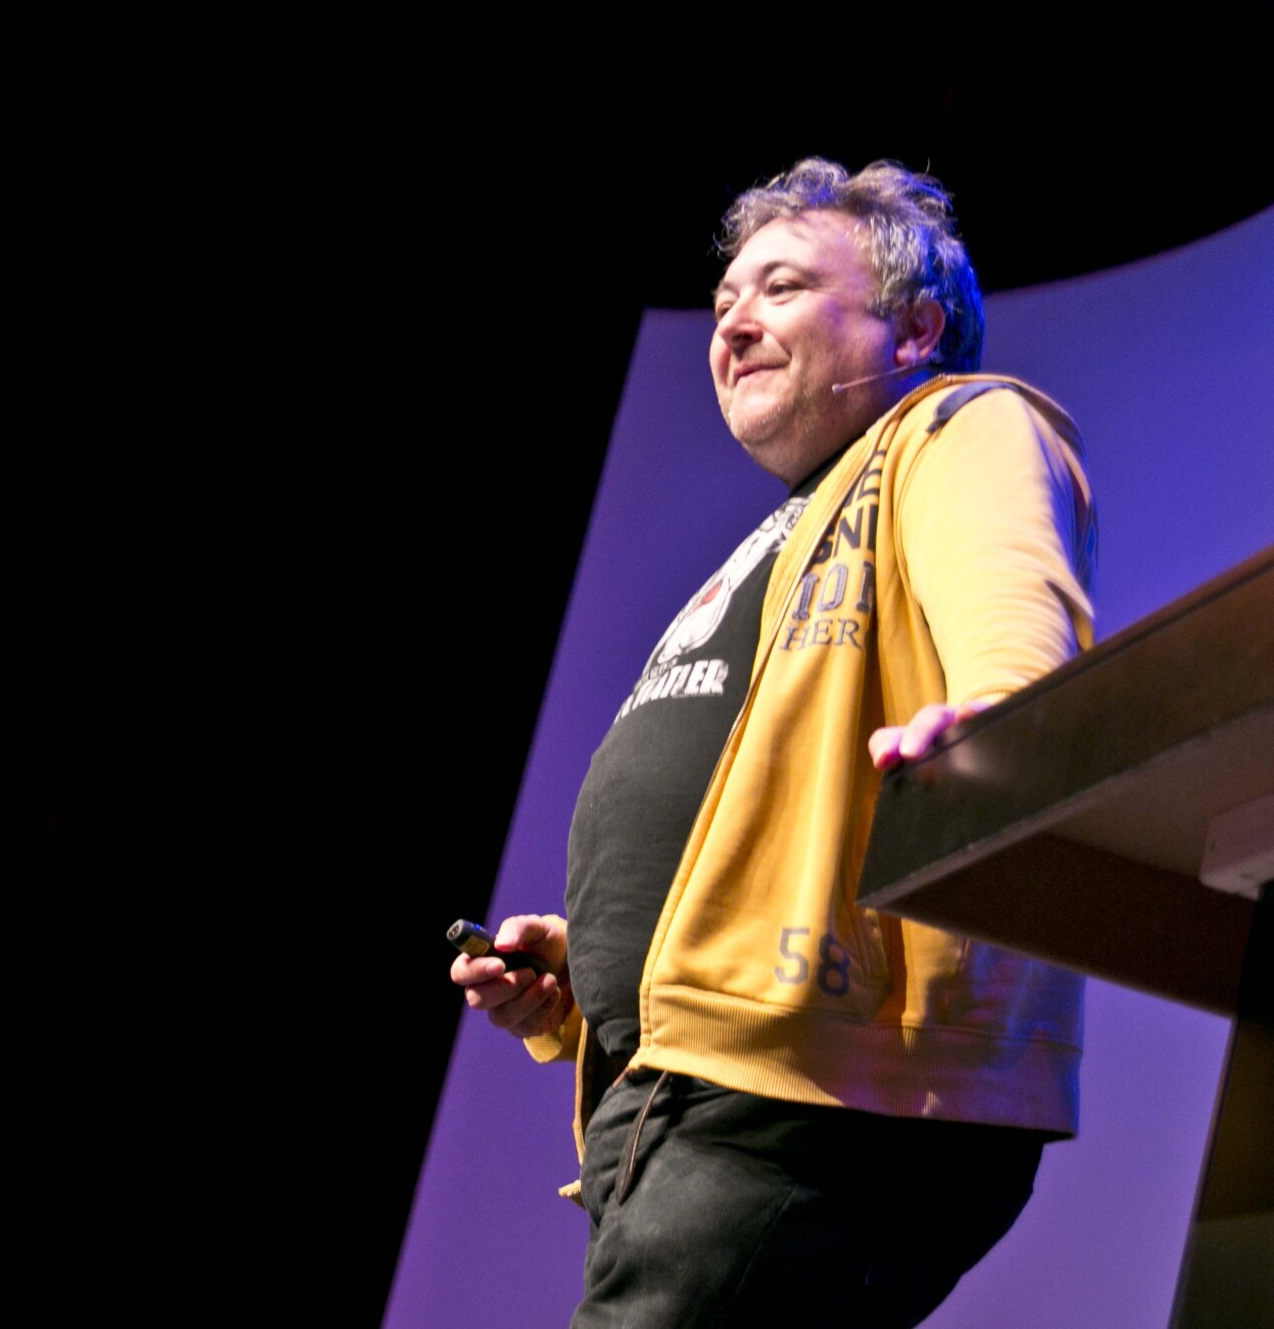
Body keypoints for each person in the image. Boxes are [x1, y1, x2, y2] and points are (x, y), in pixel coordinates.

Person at [451, 158, 1096, 1328]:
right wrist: (586, 985)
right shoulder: (793, 528)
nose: (733, 323)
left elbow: (1018, 640)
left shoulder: (958, 424)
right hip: (690, 1091)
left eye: (781, 287)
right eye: (722, 302)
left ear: (914, 328)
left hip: (809, 1095)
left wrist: (999, 728)